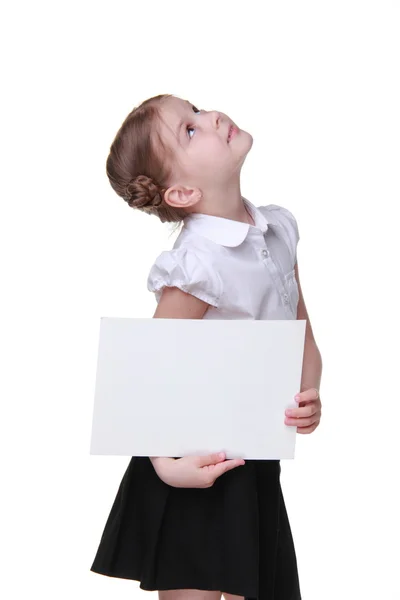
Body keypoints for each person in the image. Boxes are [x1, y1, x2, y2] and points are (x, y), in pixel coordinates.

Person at [90, 93, 323, 600]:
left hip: (253, 457)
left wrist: (310, 391)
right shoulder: (199, 263)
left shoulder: (277, 229)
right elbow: (146, 369)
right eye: (189, 130)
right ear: (181, 193)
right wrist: (164, 464)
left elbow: (299, 325)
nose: (211, 117)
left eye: (197, 110)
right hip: (188, 463)